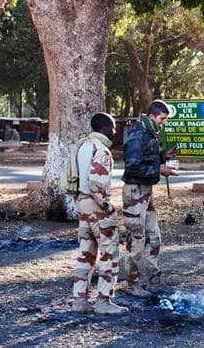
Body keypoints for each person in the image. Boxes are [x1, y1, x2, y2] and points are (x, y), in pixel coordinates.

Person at [71, 113, 128, 314]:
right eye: (113, 128)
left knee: (85, 253)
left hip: (81, 202)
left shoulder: (82, 146)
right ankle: (103, 301)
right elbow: (96, 182)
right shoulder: (102, 150)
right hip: (96, 206)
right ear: (104, 128)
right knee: (109, 253)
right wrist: (107, 205)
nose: (114, 132)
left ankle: (79, 300)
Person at [120, 100, 178, 298]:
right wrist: (159, 169)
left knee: (153, 236)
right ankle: (131, 283)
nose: (163, 122)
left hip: (146, 191)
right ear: (152, 116)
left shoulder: (149, 133)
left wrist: (162, 156)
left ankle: (153, 280)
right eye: (162, 119)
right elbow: (132, 166)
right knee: (136, 238)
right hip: (135, 191)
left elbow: (145, 158)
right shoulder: (138, 135)